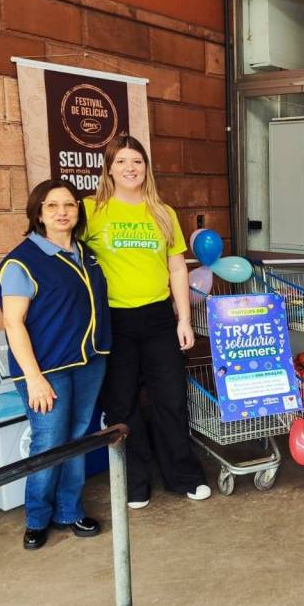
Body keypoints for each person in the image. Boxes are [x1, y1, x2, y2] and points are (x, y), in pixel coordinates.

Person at [84, 133, 210, 509]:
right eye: (121, 161)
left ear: (146, 168)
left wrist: (183, 319)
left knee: (170, 399)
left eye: (137, 161)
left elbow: (176, 267)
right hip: (113, 320)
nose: (130, 168)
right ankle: (134, 483)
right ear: (109, 168)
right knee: (121, 405)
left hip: (157, 318)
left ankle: (183, 476)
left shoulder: (162, 212)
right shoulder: (91, 210)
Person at [0, 179, 111, 550]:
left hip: (88, 361)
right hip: (46, 370)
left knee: (77, 437)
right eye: (52, 205)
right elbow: (13, 323)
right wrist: (33, 378)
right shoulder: (22, 261)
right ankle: (36, 518)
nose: (62, 212)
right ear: (38, 213)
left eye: (70, 205)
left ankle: (69, 510)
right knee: (48, 442)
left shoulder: (87, 254)